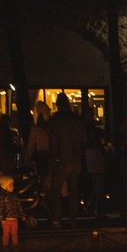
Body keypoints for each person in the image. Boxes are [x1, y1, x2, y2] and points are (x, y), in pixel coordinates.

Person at [46, 92, 87, 228]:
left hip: (61, 160)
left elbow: (53, 143)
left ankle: (57, 219)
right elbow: (83, 141)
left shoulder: (56, 121)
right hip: (75, 160)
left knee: (56, 190)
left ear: (57, 105)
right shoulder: (77, 120)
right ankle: (72, 219)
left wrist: (52, 159)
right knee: (74, 191)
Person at [0, 173, 21, 247]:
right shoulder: (2, 196)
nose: (12, 187)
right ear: (5, 186)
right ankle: (5, 247)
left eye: (13, 185)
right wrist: (2, 219)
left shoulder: (14, 196)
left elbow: (18, 205)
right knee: (6, 234)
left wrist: (22, 215)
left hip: (14, 218)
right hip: (6, 219)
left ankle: (15, 247)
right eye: (10, 185)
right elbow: (0, 208)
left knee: (14, 234)